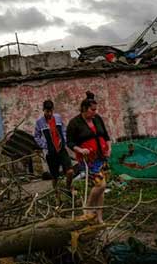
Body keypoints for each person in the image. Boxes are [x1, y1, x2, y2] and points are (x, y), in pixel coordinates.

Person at [67, 91, 111, 223]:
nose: (95, 112)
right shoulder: (75, 123)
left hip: (101, 157)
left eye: (96, 109)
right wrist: (80, 149)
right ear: (85, 109)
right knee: (100, 185)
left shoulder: (97, 119)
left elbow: (106, 136)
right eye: (93, 110)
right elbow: (69, 142)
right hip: (87, 160)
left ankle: (99, 217)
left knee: (101, 189)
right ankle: (87, 210)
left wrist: (109, 148)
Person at [34, 100, 74, 194]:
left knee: (70, 171)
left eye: (51, 111)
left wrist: (63, 140)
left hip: (61, 150)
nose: (49, 113)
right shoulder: (39, 122)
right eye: (47, 111)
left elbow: (64, 129)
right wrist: (45, 145)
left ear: (53, 110)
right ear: (43, 110)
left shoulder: (58, 118)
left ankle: (68, 188)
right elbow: (36, 136)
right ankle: (56, 195)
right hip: (51, 153)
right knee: (55, 177)